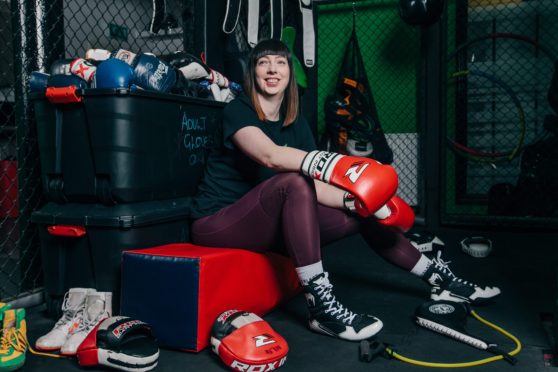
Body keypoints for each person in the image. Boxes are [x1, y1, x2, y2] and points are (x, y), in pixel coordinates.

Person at [189, 39, 500, 342]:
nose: (272, 70)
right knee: (292, 182)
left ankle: (441, 280)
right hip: (219, 222)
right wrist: (338, 164)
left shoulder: (294, 123)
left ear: (290, 74)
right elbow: (270, 155)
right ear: (253, 73)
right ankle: (322, 309)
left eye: (280, 62)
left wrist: (358, 198)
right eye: (263, 63)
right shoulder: (238, 110)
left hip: (266, 224)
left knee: (361, 211)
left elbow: (316, 184)